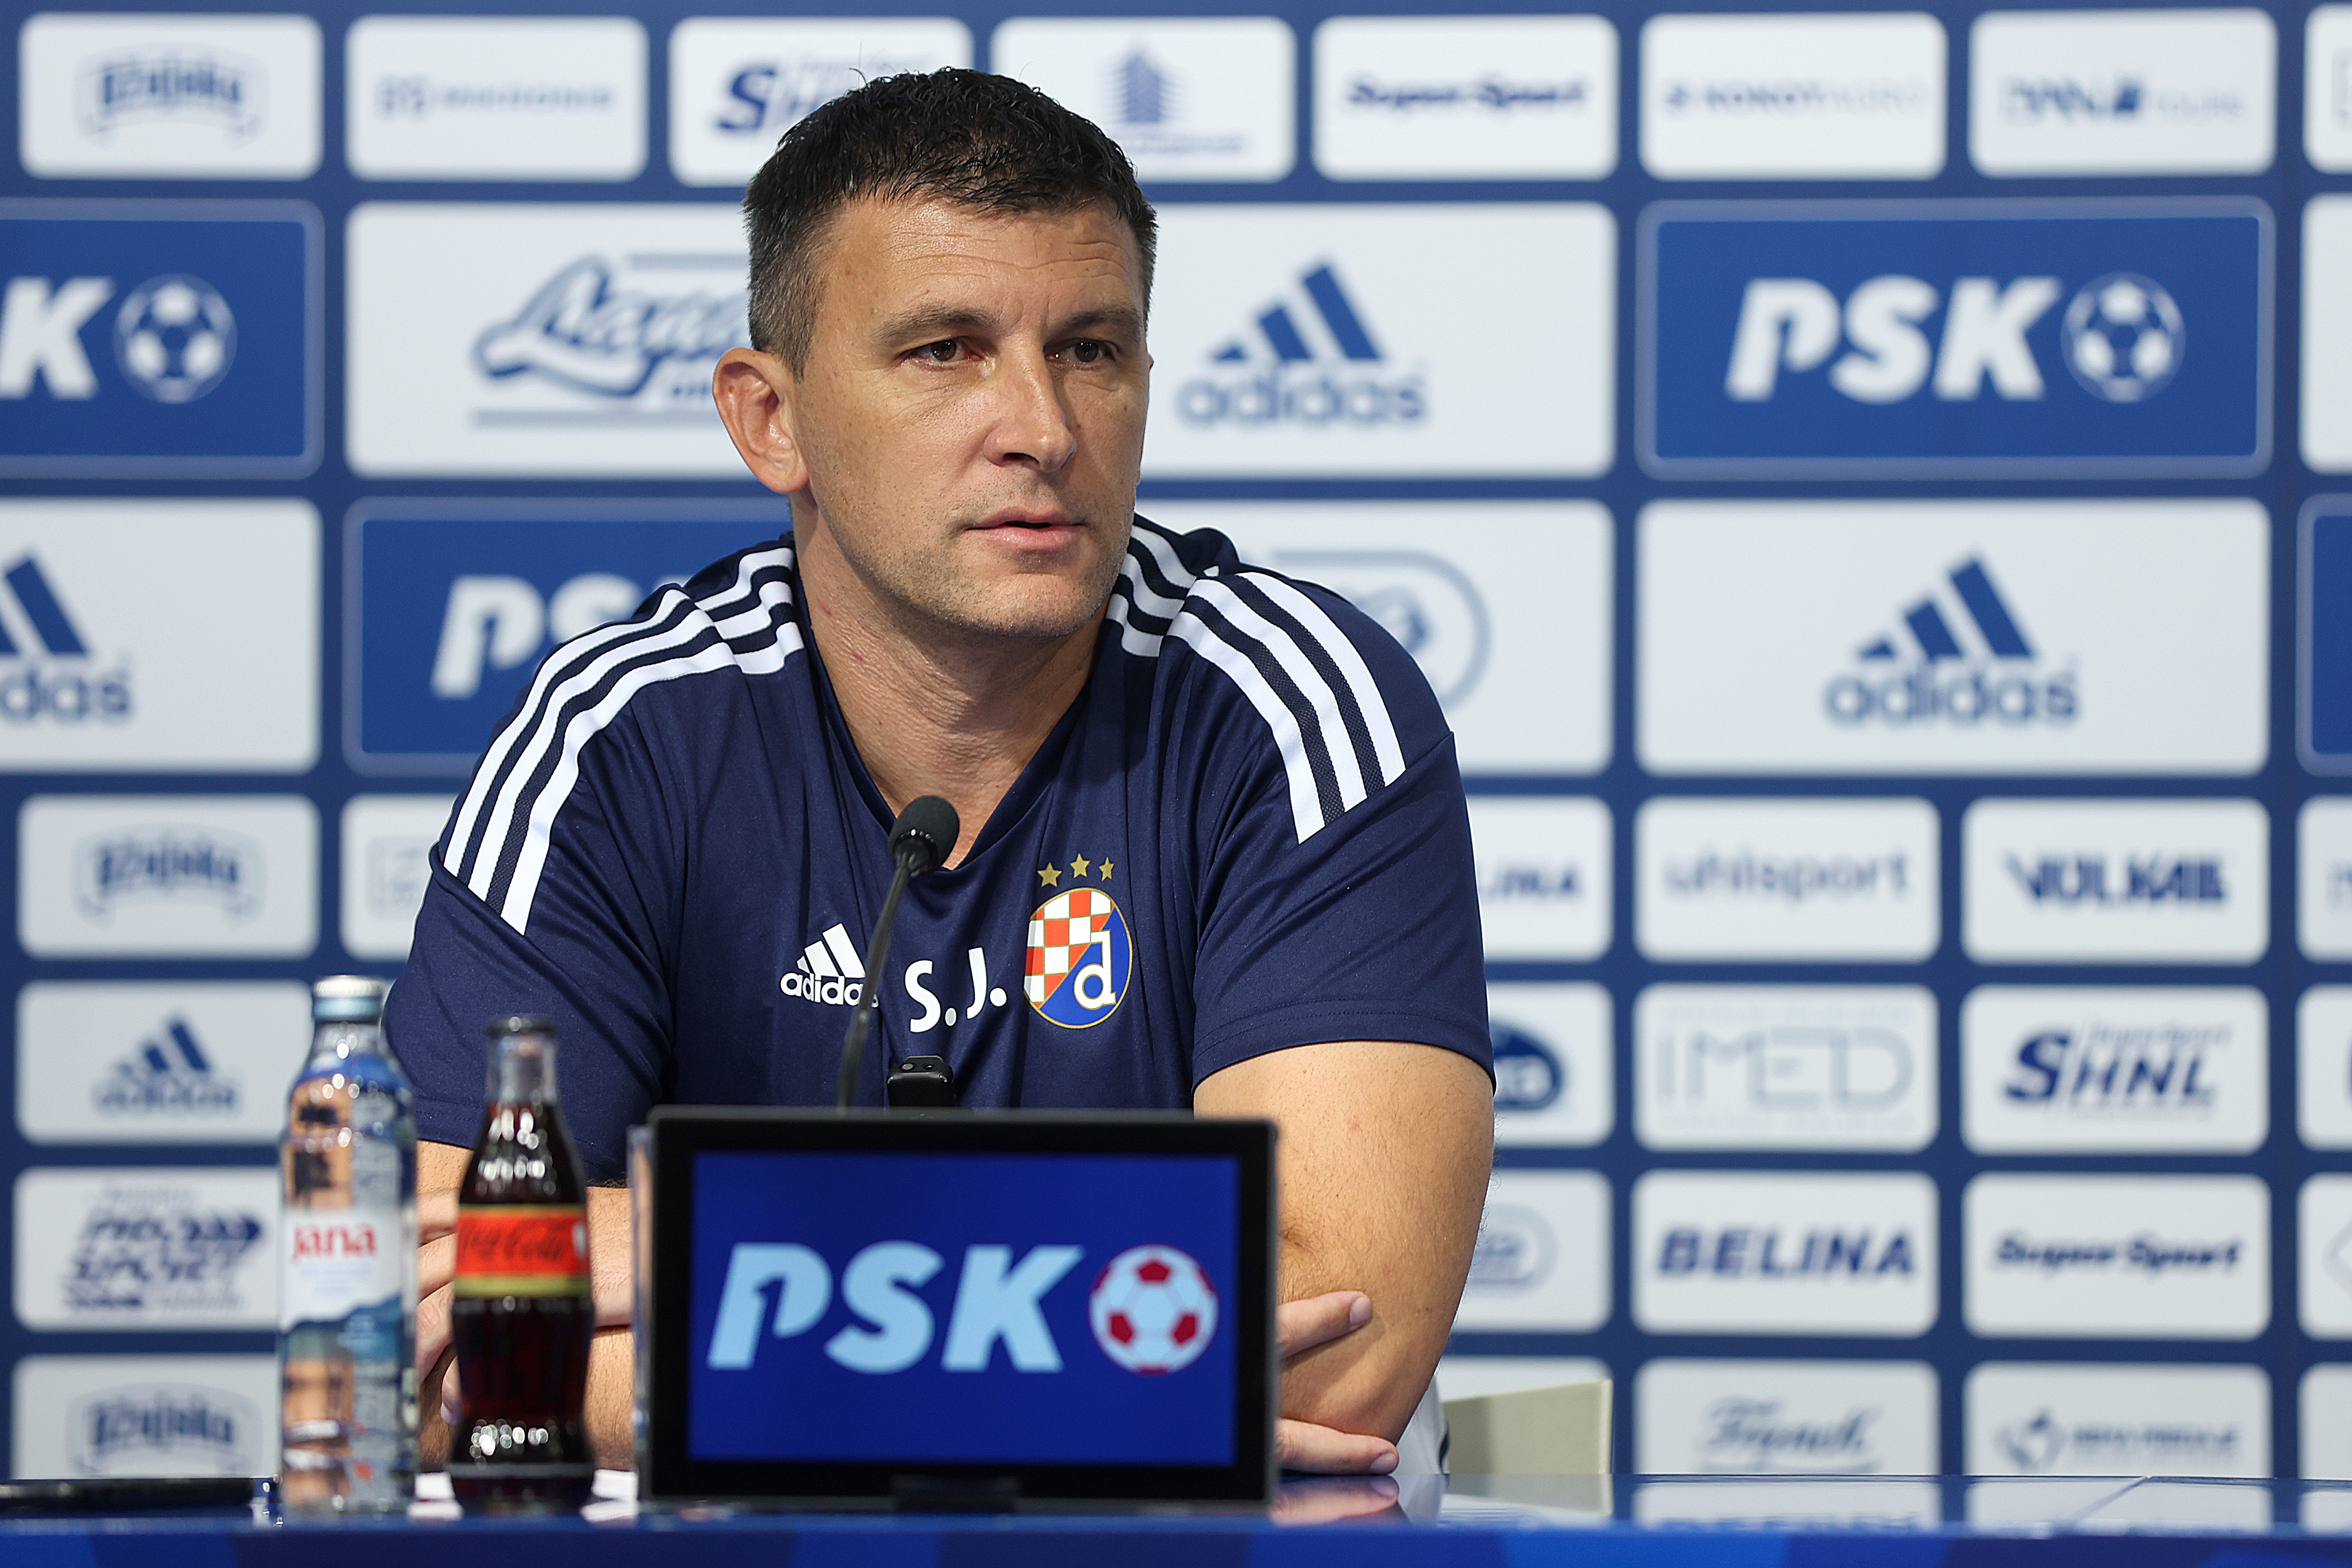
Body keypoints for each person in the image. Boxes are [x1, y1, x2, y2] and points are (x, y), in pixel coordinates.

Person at [390, 66, 1494, 1483]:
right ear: (770, 420)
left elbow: (1338, 1350)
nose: (1041, 424)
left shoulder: (1293, 705)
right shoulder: (617, 738)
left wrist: (697, 1241)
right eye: (944, 350)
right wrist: (1086, 1368)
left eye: (1089, 348)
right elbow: (432, 1350)